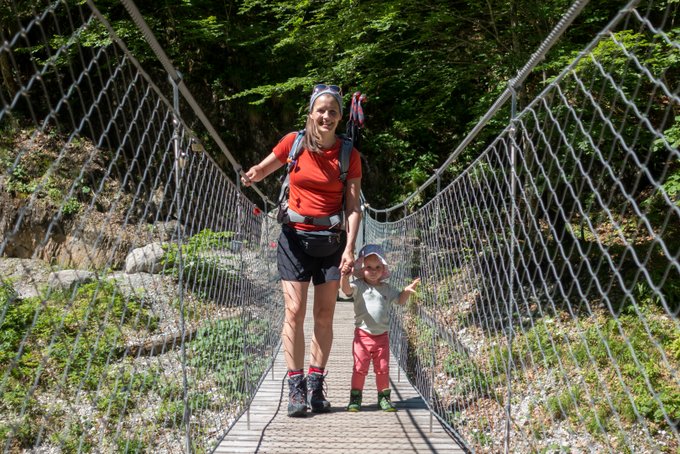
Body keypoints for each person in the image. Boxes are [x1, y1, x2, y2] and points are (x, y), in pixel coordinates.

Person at [241, 84, 362, 417]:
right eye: (320, 110)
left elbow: (353, 208)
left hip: (332, 243)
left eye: (333, 111)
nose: (326, 116)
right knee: (294, 312)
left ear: (340, 117)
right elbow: (265, 168)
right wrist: (253, 174)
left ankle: (316, 383)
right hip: (294, 239)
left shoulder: (349, 155)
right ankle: (295, 387)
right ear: (311, 113)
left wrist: (350, 248)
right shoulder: (293, 143)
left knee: (324, 316)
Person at [340, 244, 420, 412]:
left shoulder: (387, 289)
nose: (373, 270)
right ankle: (355, 398)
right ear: (362, 269)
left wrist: (406, 291)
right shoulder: (359, 285)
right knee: (360, 368)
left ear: (383, 269)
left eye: (377, 267)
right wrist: (344, 278)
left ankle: (384, 398)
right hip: (362, 336)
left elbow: (399, 300)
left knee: (383, 369)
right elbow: (346, 291)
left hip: (382, 337)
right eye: (369, 267)